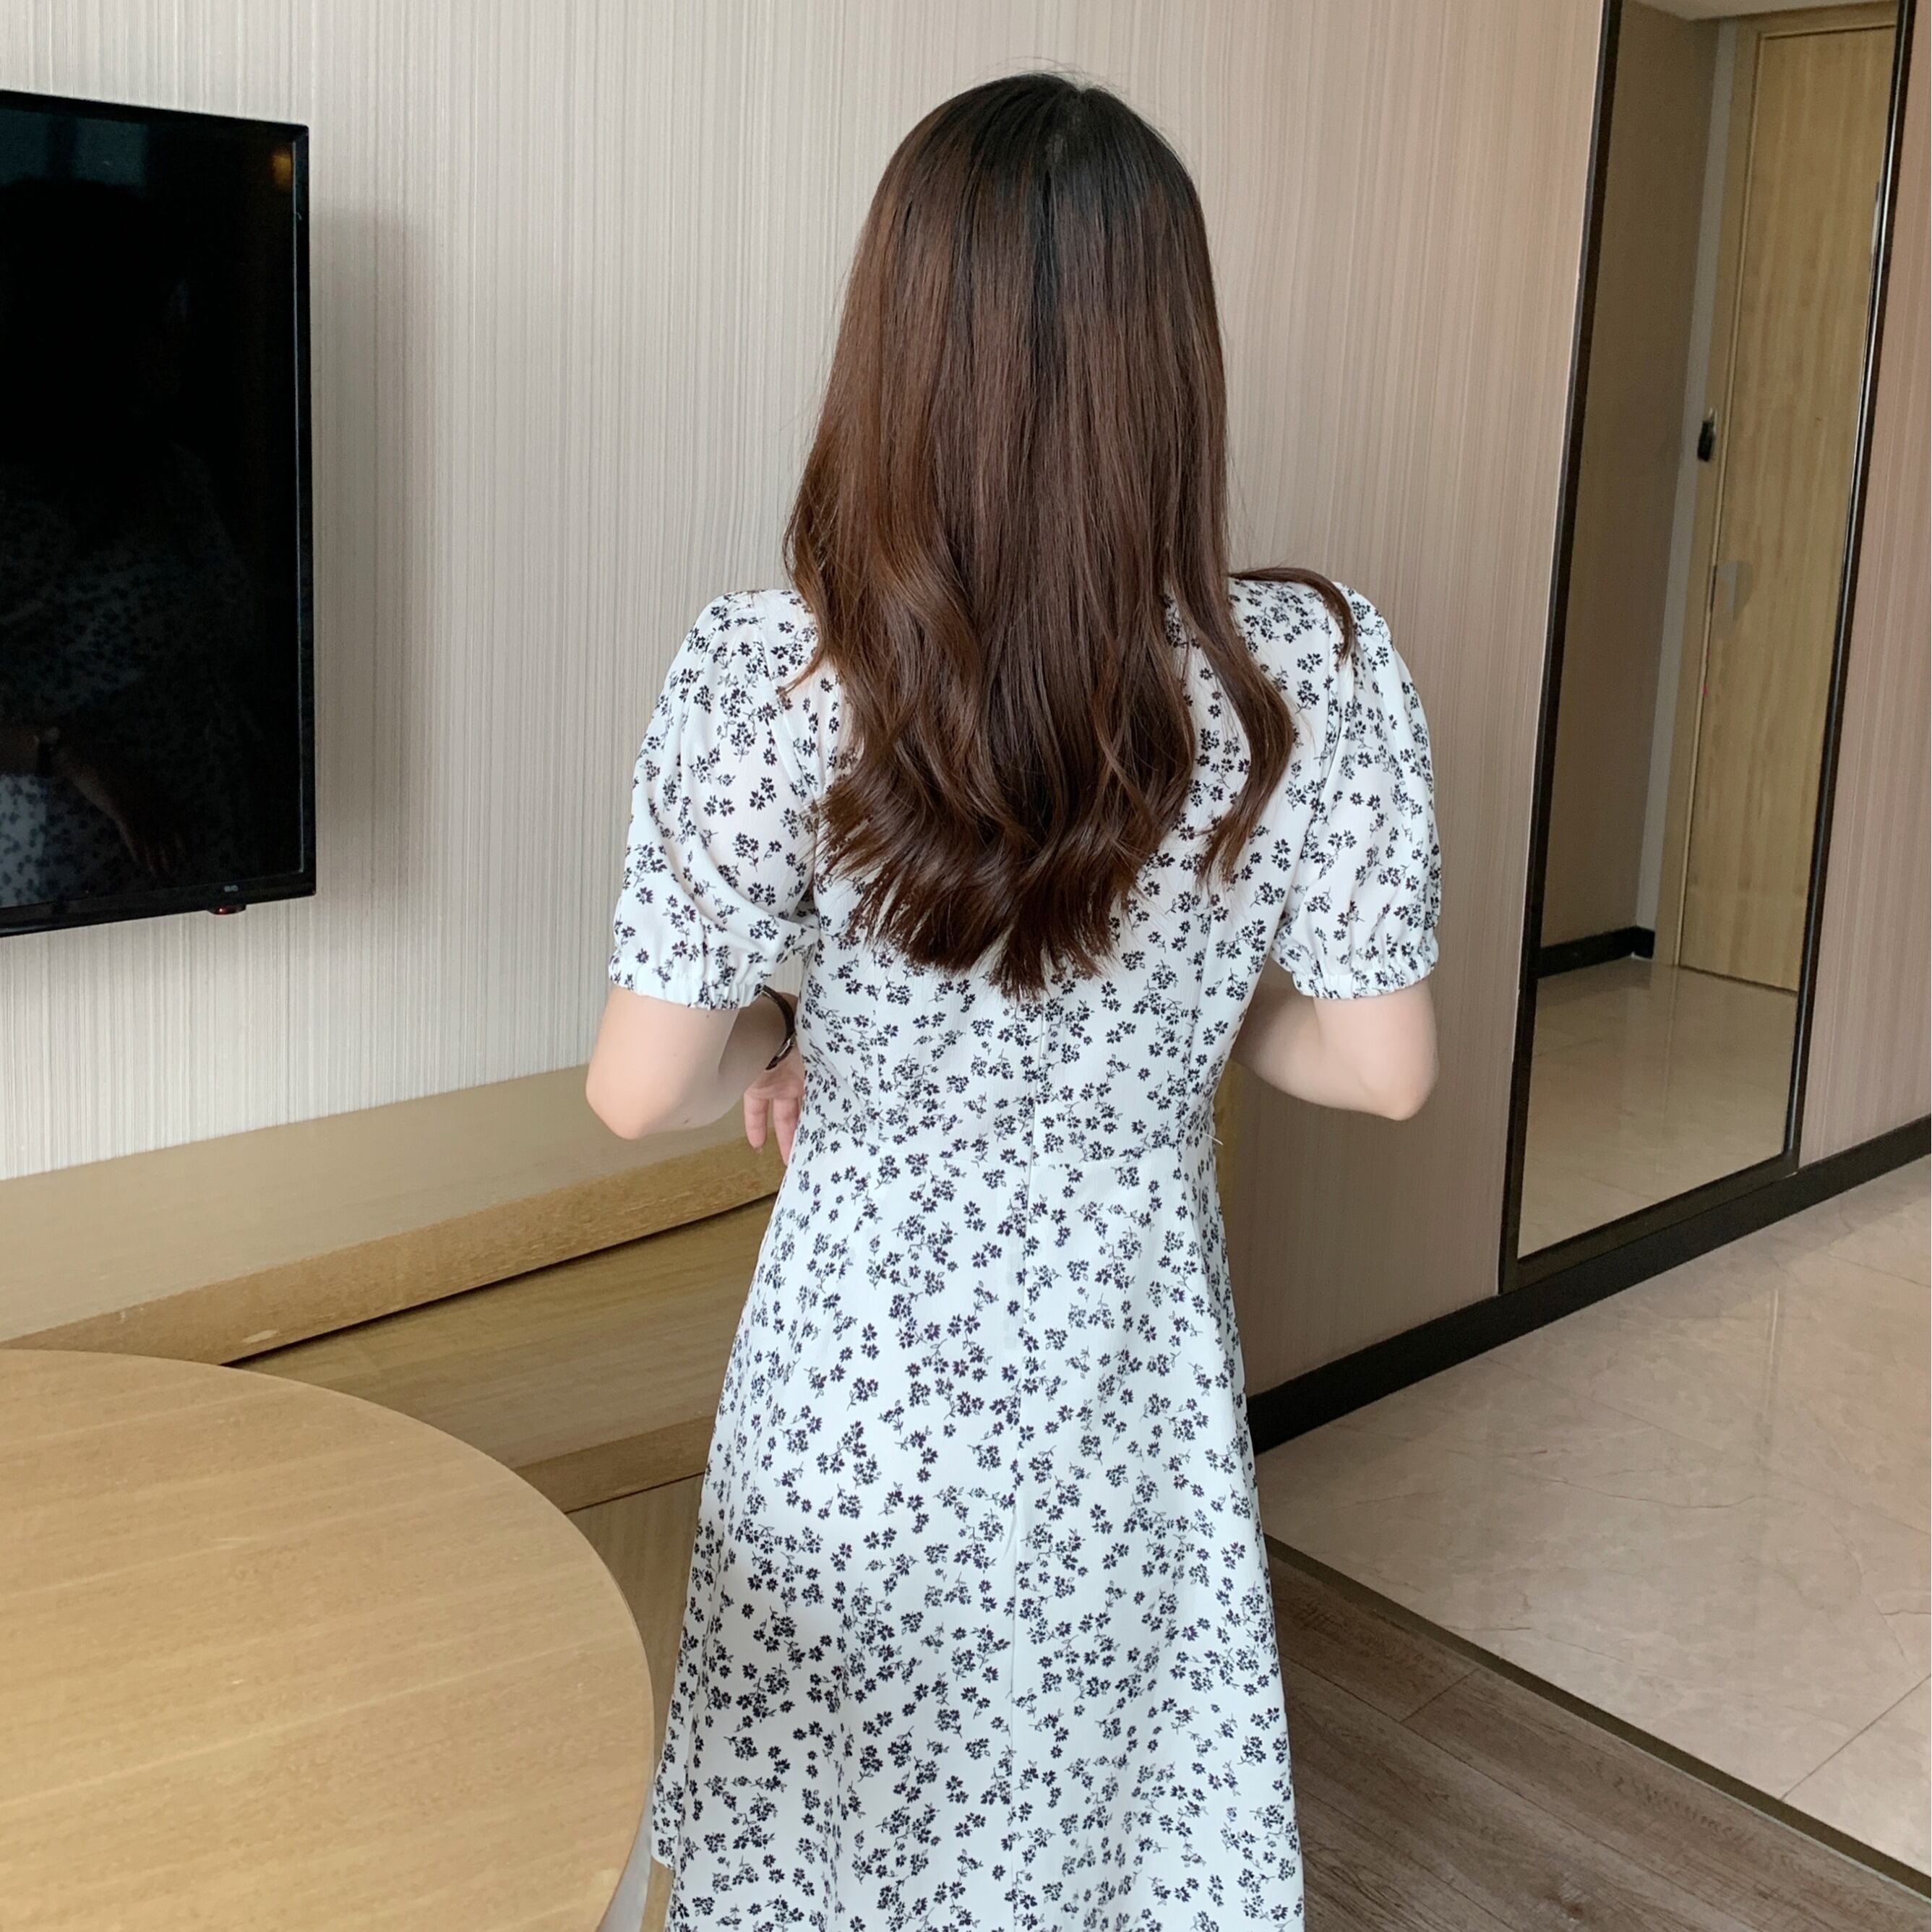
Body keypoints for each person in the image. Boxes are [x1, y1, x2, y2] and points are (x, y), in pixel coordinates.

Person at [587, 71, 1440, 1931]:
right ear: (1172, 361)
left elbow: (640, 1084)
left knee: (835, 1845)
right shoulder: (1310, 669)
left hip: (855, 1393)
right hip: (1124, 1392)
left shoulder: (779, 674)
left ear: (895, 347)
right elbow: (1380, 1064)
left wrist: (789, 1041)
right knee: (1085, 1833)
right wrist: (1183, 1018)